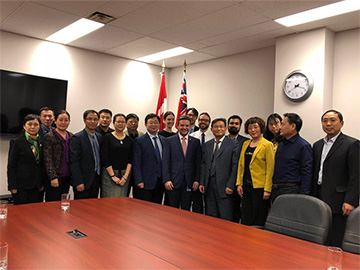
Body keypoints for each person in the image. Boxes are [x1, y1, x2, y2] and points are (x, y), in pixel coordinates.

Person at [312, 110, 359, 247]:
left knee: (336, 237)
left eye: (333, 120)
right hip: (319, 195)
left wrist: (350, 201)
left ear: (341, 123)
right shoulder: (317, 145)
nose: (328, 124)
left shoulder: (352, 144)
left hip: (339, 199)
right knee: (319, 236)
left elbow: (356, 176)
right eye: (325, 120)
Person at [236, 117, 274, 226]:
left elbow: (270, 168)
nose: (253, 130)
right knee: (246, 215)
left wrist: (267, 189)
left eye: (255, 127)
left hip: (260, 187)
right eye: (250, 128)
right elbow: (241, 165)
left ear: (261, 128)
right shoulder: (245, 144)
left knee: (258, 216)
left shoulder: (267, 145)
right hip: (246, 186)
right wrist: (239, 183)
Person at [199, 118, 240, 221]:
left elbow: (235, 167)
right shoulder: (208, 144)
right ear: (212, 129)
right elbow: (204, 164)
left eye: (221, 126)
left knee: (225, 216)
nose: (219, 129)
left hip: (225, 186)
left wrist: (231, 185)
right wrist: (202, 182)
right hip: (209, 185)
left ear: (225, 129)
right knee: (210, 216)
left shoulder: (233, 144)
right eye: (216, 127)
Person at [163, 116, 202, 210]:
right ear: (177, 126)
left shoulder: (195, 142)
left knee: (186, 209)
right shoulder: (169, 141)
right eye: (182, 125)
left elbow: (198, 163)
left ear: (190, 126)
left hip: (189, 182)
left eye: (187, 125)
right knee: (172, 209)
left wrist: (197, 180)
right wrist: (166, 179)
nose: (184, 128)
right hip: (172, 182)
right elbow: (165, 162)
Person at [272, 113, 313, 203]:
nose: (280, 128)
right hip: (276, 189)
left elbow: (307, 173)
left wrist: (304, 196)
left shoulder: (303, 146)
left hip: (292, 190)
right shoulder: (281, 144)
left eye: (282, 124)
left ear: (293, 126)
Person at [7, 114, 45, 205]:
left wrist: (41, 183)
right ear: (24, 126)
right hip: (21, 186)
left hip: (36, 185)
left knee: (35, 213)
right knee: (21, 214)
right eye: (29, 124)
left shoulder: (41, 141)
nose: (33, 127)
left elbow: (41, 164)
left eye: (36, 125)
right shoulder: (17, 141)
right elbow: (11, 165)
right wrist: (12, 186)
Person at [132, 113, 167, 204]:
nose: (153, 125)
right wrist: (139, 180)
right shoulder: (139, 141)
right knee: (144, 210)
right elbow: (136, 163)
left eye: (156, 123)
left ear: (159, 124)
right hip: (145, 181)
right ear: (146, 125)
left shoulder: (164, 140)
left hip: (160, 181)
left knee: (157, 208)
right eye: (151, 123)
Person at [70, 110, 102, 199]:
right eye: (90, 119)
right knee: (80, 209)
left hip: (96, 178)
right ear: (84, 120)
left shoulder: (99, 137)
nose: (92, 122)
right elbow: (74, 162)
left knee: (93, 207)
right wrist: (78, 181)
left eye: (95, 119)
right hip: (83, 180)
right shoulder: (77, 138)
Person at [43, 110, 73, 201]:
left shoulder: (71, 136)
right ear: (55, 121)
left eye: (66, 120)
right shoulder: (49, 136)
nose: (63, 123)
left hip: (67, 176)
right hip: (55, 177)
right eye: (61, 120)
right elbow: (47, 158)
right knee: (52, 204)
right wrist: (53, 177)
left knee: (64, 202)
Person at [101, 113, 133, 198]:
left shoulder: (129, 140)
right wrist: (113, 176)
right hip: (109, 174)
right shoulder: (107, 137)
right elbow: (105, 157)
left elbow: (130, 159)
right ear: (114, 123)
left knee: (122, 203)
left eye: (123, 122)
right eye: (118, 122)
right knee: (108, 203)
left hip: (124, 175)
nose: (120, 124)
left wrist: (125, 177)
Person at [190, 112, 214, 214]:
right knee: (196, 202)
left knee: (209, 202)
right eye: (201, 120)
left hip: (209, 173)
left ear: (209, 122)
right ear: (197, 121)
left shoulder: (214, 137)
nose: (203, 122)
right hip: (195, 172)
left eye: (205, 120)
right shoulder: (191, 136)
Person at [227, 114, 250, 222]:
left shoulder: (246, 142)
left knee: (237, 211)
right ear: (228, 125)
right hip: (225, 180)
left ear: (240, 126)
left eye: (236, 124)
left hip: (240, 181)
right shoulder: (223, 140)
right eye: (231, 123)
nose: (234, 125)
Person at [125, 113, 144, 197]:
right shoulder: (122, 135)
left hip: (139, 169)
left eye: (135, 122)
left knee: (139, 194)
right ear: (126, 123)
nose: (133, 124)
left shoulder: (142, 135)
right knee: (125, 194)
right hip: (126, 169)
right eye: (131, 122)